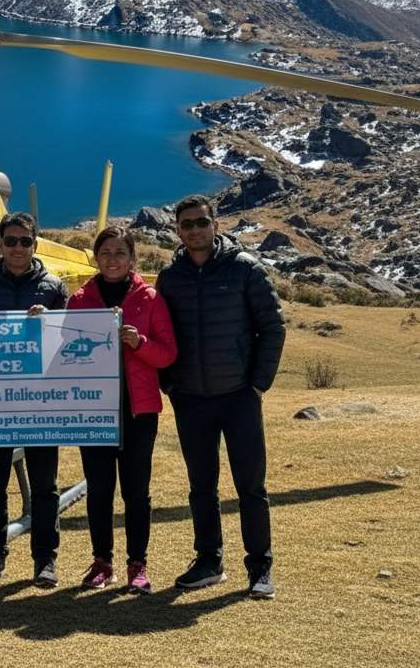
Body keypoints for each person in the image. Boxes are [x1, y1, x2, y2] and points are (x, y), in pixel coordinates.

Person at [156, 194, 286, 600]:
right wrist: (170, 384)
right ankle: (209, 561)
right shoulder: (170, 277)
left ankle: (260, 567)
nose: (194, 230)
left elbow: (273, 328)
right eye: (187, 224)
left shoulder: (245, 269)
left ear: (215, 225)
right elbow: (160, 333)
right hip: (191, 398)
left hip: (238, 397)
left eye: (201, 222)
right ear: (177, 231)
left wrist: (256, 385)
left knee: (251, 485)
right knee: (201, 486)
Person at [68, 226, 177, 593]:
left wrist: (140, 343)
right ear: (96, 258)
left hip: (138, 411)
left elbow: (168, 353)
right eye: (105, 252)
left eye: (120, 252)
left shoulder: (150, 297)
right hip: (93, 410)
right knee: (99, 489)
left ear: (132, 259)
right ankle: (102, 562)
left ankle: (137, 565)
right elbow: (62, 351)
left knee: (136, 491)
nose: (112, 259)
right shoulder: (80, 298)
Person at [0, 211, 69, 587]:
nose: (18, 248)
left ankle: (45, 561)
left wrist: (52, 322)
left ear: (35, 244)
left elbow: (70, 342)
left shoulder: (54, 287)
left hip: (41, 401)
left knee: (45, 486)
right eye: (11, 241)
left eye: (25, 241)